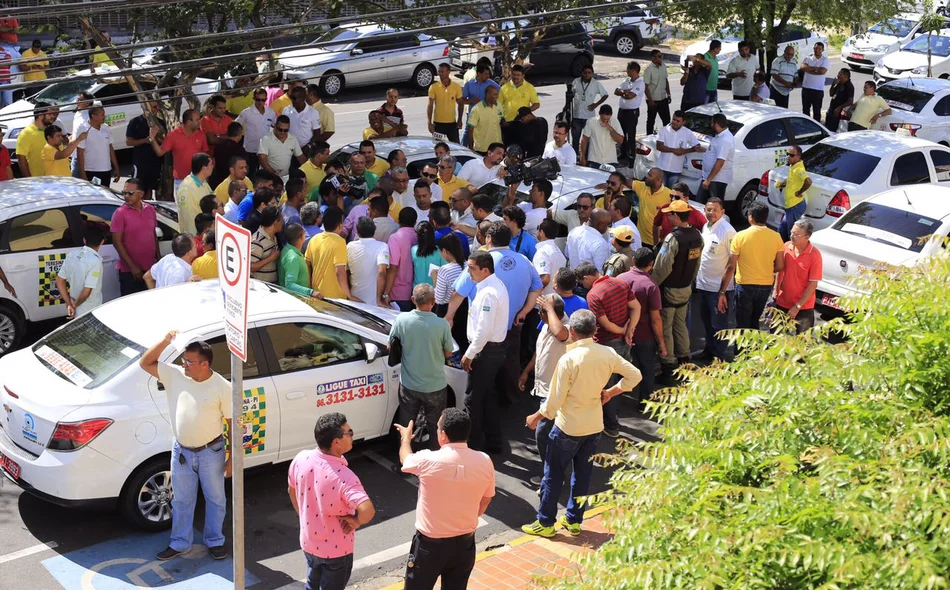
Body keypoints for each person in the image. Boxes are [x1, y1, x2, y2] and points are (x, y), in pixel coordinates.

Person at [522, 309, 641, 537]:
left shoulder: (569, 359)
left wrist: (536, 417)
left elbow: (554, 402)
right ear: (595, 330)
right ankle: (574, 521)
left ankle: (545, 523)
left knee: (553, 475)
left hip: (567, 427)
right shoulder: (607, 353)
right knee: (583, 475)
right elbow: (634, 375)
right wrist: (612, 392)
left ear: (572, 332)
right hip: (594, 426)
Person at [138, 333, 232, 562]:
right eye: (184, 360)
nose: (184, 365)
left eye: (189, 362)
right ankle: (180, 543)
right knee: (181, 499)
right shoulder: (175, 375)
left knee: (216, 499)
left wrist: (233, 459)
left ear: (205, 364)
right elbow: (145, 363)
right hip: (181, 451)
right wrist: (165, 340)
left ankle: (215, 541)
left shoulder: (223, 387)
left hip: (212, 451)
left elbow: (233, 424)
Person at [394, 408, 494, 590]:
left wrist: (406, 437)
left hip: (429, 548)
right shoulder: (485, 460)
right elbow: (486, 499)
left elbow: (405, 459)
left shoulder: (427, 460)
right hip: (465, 545)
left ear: (443, 435)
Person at [288, 412, 376, 590]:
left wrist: (303, 515)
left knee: (312, 583)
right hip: (337, 551)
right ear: (336, 442)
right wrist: (356, 521)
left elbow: (291, 489)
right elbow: (368, 510)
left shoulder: (301, 459)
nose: (352, 435)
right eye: (349, 432)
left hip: (309, 542)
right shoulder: (345, 478)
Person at [575, 262, 641, 437]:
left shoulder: (593, 295)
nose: (582, 286)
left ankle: (611, 426)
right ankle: (615, 414)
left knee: (606, 386)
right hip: (624, 343)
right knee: (621, 377)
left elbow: (606, 325)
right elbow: (636, 307)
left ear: (587, 278)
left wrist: (625, 331)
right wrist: (629, 331)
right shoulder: (620, 282)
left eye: (582, 283)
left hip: (607, 344)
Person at [390, 282, 454, 445]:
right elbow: (448, 352)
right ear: (433, 301)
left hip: (409, 385)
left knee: (406, 426)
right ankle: (435, 463)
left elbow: (390, 345)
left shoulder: (402, 319)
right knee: (436, 427)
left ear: (413, 299)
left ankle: (404, 462)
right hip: (436, 385)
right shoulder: (442, 324)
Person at [518, 293, 569, 486]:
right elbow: (539, 352)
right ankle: (551, 468)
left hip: (553, 395)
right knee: (545, 436)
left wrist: (548, 308)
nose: (539, 315)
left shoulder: (566, 328)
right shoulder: (547, 326)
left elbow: (561, 335)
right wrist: (525, 373)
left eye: (542, 311)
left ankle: (554, 478)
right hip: (541, 389)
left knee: (544, 435)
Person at [460, 251, 509, 452]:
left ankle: (472, 447)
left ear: (485, 270)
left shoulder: (488, 292)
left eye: (472, 268)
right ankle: (493, 441)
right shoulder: (491, 286)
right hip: (491, 350)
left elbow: (484, 330)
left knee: (473, 400)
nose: (468, 272)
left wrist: (469, 353)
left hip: (486, 352)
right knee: (487, 396)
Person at [651, 200, 703, 377]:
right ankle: (685, 359)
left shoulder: (672, 238)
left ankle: (668, 366)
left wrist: (652, 285)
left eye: (670, 214)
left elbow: (662, 267)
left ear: (676, 216)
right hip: (686, 288)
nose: (667, 216)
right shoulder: (697, 235)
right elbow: (697, 265)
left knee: (666, 327)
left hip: (669, 291)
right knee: (680, 325)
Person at [721, 200, 785, 331]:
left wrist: (722, 291)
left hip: (744, 285)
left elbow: (730, 267)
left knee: (741, 327)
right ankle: (753, 351)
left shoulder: (740, 236)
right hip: (765, 285)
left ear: (750, 216)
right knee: (754, 323)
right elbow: (779, 265)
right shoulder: (776, 237)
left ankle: (740, 351)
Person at [616, 248, 666, 407]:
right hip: (644, 335)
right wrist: (662, 344)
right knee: (646, 369)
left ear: (633, 261)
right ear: (651, 264)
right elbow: (656, 318)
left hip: (620, 333)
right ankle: (645, 403)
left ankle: (614, 405)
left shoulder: (619, 278)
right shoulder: (651, 285)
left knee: (618, 369)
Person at [695, 196, 737, 362]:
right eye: (708, 209)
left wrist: (723, 292)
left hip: (719, 289)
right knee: (707, 322)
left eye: (715, 210)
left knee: (719, 326)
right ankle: (708, 351)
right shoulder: (706, 227)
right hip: (703, 284)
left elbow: (732, 263)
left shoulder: (728, 231)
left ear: (722, 212)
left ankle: (719, 359)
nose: (711, 213)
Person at [773, 219, 822, 334]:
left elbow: (813, 285)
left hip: (804, 307)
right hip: (782, 302)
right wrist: (775, 290)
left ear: (807, 236)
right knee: (775, 338)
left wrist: (797, 306)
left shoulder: (815, 255)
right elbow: (780, 270)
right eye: (791, 232)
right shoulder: (786, 247)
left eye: (796, 234)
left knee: (802, 343)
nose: (791, 236)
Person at [113, 178, 159, 295]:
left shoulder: (150, 210)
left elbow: (153, 234)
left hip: (150, 269)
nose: (126, 196)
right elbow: (117, 242)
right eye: (124, 193)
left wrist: (158, 259)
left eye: (130, 193)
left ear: (141, 194)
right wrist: (133, 267)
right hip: (129, 272)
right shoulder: (120, 213)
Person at [150, 109, 210, 189]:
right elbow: (160, 152)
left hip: (199, 179)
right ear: (189, 122)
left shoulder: (201, 134)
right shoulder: (173, 135)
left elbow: (206, 157)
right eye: (197, 120)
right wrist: (152, 139)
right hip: (181, 181)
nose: (200, 121)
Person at [55, 225, 104, 319]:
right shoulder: (95, 261)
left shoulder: (72, 254)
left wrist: (69, 304)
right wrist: (74, 305)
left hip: (76, 310)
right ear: (102, 242)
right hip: (91, 310)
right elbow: (86, 292)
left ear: (84, 240)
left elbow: (59, 281)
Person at [306, 208, 354, 300]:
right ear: (340, 225)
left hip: (317, 295)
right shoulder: (340, 242)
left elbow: (307, 264)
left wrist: (310, 288)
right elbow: (340, 272)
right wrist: (349, 295)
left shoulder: (314, 239)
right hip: (335, 299)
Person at [499, 65, 543, 156]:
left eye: (518, 75)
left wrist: (527, 111)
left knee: (521, 151)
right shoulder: (504, 88)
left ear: (523, 76)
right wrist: (501, 119)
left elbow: (536, 104)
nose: (515, 77)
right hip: (508, 124)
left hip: (522, 124)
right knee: (507, 150)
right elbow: (498, 105)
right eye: (514, 74)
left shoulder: (529, 87)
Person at [126, 101, 166, 199]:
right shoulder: (135, 122)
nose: (155, 109)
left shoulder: (161, 123)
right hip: (140, 162)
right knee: (138, 189)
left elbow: (165, 142)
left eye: (156, 107)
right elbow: (129, 142)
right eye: (153, 107)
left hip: (156, 162)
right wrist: (145, 140)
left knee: (150, 190)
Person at [347, 217, 390, 306]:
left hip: (354, 300)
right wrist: (379, 299)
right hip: (374, 303)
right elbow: (382, 272)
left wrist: (349, 294)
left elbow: (346, 271)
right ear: (374, 230)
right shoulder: (382, 246)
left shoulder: (349, 246)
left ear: (357, 232)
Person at [624, 167, 671, 248]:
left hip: (656, 243)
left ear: (658, 180)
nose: (646, 177)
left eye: (650, 175)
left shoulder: (669, 195)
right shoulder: (642, 187)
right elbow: (627, 182)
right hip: (639, 239)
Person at [235, 88, 276, 177]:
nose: (260, 102)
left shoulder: (270, 112)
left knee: (264, 175)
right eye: (258, 99)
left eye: (263, 100)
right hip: (250, 150)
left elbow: (275, 126)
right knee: (250, 175)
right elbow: (236, 125)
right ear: (253, 99)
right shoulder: (246, 112)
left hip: (265, 151)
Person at [385, 208, 419, 310]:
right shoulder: (419, 236)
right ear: (415, 221)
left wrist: (386, 293)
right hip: (416, 291)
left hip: (398, 293)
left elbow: (393, 267)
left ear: (398, 220)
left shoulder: (395, 237)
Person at [655, 110, 700, 189]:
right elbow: (659, 146)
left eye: (678, 121)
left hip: (676, 170)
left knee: (672, 192)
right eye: (673, 119)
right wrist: (674, 150)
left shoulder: (687, 132)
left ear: (683, 122)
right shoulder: (664, 130)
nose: (674, 122)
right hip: (662, 168)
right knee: (660, 191)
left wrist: (684, 151)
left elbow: (697, 146)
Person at [775, 145, 812, 242]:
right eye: (787, 154)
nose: (788, 157)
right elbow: (792, 179)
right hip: (790, 206)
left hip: (795, 206)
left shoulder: (798, 169)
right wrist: (783, 183)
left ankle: (790, 253)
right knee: (781, 231)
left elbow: (808, 182)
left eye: (791, 155)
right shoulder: (793, 166)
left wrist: (799, 192)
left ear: (798, 156)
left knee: (792, 234)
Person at [76, 106, 120, 187]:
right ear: (94, 116)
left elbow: (110, 148)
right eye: (102, 114)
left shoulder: (106, 127)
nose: (105, 116)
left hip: (106, 170)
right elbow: (80, 154)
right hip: (91, 171)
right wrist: (83, 175)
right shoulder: (83, 129)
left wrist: (116, 168)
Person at [571, 63, 608, 153]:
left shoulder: (595, 83)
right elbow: (571, 94)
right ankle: (575, 156)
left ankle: (587, 157)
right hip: (577, 115)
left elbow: (605, 95)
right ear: (582, 73)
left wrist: (596, 104)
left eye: (589, 72)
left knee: (588, 138)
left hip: (589, 116)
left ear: (592, 73)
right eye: (585, 72)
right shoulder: (576, 81)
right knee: (575, 139)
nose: (587, 74)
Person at [697, 112, 733, 204]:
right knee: (701, 203)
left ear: (716, 124)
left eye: (712, 122)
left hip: (716, 180)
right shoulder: (719, 136)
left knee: (714, 206)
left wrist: (708, 180)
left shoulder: (725, 140)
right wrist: (705, 150)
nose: (710, 125)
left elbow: (720, 162)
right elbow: (715, 152)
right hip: (709, 178)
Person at [279, 223, 321, 298]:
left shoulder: (286, 249)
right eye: (304, 234)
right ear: (301, 237)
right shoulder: (293, 258)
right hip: (296, 301)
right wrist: (311, 292)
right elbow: (289, 285)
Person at [177, 153, 214, 236]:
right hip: (196, 240)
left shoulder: (204, 183)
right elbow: (190, 221)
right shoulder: (187, 190)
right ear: (204, 168)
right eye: (211, 164)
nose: (213, 167)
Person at [614, 61, 644, 162]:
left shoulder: (640, 83)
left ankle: (631, 155)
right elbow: (616, 91)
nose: (627, 71)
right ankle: (623, 153)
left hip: (632, 112)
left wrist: (624, 93)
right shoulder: (626, 81)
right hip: (622, 111)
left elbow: (630, 96)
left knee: (630, 134)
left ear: (634, 70)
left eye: (628, 69)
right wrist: (625, 92)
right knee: (621, 133)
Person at [259, 115, 305, 180]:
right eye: (280, 129)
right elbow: (262, 159)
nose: (282, 132)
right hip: (268, 177)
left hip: (285, 178)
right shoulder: (266, 139)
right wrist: (273, 173)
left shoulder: (293, 139)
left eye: (286, 130)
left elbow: (300, 157)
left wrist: (308, 169)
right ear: (275, 126)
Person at [427, 63, 463, 143]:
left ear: (448, 72)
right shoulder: (433, 87)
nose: (440, 74)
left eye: (442, 72)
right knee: (438, 147)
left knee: (456, 146)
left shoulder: (456, 87)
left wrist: (459, 119)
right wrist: (429, 123)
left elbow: (461, 103)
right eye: (439, 71)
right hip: (438, 124)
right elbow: (430, 105)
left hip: (452, 124)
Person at [466, 85, 503, 154]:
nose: (497, 96)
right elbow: (470, 129)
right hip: (482, 149)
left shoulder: (499, 105)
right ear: (487, 94)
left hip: (497, 146)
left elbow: (501, 120)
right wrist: (471, 147)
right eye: (495, 94)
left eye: (497, 94)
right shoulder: (477, 109)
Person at [533, 219, 567, 296]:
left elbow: (545, 279)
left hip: (543, 300)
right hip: (557, 297)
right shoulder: (558, 251)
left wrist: (532, 294)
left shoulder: (543, 252)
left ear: (541, 232)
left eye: (538, 228)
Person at [281, 86, 322, 150]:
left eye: (294, 98)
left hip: (305, 150)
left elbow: (317, 134)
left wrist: (308, 146)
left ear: (303, 98)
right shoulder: (286, 110)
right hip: (288, 149)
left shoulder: (313, 113)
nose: (292, 100)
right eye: (291, 97)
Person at [209, 122, 247, 189]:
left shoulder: (218, 146)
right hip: (233, 184)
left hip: (218, 182)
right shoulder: (240, 150)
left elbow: (213, 163)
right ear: (239, 134)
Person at [643, 49, 672, 135]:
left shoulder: (663, 66)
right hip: (653, 100)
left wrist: (669, 94)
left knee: (666, 120)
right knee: (651, 121)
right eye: (659, 56)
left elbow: (666, 80)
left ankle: (666, 137)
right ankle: (649, 137)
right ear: (653, 58)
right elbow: (645, 87)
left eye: (661, 56)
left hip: (663, 98)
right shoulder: (648, 70)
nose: (661, 58)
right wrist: (650, 101)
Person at [250, 206, 282, 283]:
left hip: (271, 285)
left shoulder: (274, 237)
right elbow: (251, 267)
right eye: (281, 221)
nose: (282, 223)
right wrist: (271, 258)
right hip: (261, 288)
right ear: (275, 222)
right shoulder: (257, 241)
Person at [800, 42, 829, 121]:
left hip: (817, 90)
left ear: (822, 50)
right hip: (806, 88)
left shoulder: (825, 60)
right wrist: (816, 69)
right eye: (816, 48)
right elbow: (802, 67)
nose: (817, 50)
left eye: (819, 49)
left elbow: (822, 71)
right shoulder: (808, 58)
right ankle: (805, 126)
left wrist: (809, 69)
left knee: (816, 111)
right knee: (805, 110)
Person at [411, 221, 444, 288]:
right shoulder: (440, 251)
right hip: (434, 290)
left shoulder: (413, 250)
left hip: (417, 290)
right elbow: (444, 271)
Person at [826, 68, 855, 132]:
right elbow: (831, 94)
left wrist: (839, 107)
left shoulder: (849, 86)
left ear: (845, 76)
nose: (838, 75)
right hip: (831, 109)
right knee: (827, 128)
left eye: (840, 74)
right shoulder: (839, 83)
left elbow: (850, 101)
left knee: (832, 129)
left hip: (837, 112)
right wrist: (833, 84)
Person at [770, 45, 798, 109]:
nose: (790, 56)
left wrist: (794, 84)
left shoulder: (793, 62)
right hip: (776, 90)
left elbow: (796, 75)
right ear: (784, 52)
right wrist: (786, 83)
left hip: (786, 92)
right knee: (775, 111)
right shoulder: (777, 60)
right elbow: (774, 75)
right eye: (788, 54)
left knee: (784, 112)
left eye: (792, 54)